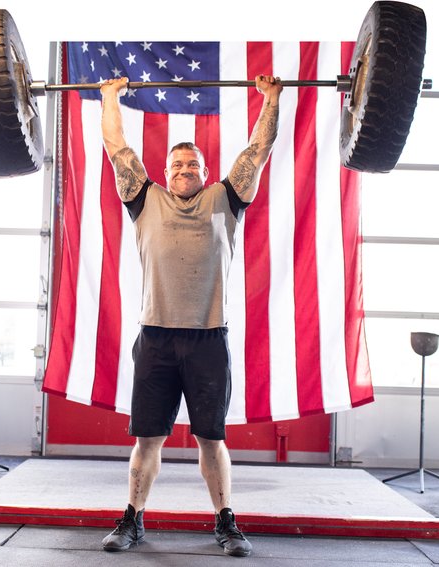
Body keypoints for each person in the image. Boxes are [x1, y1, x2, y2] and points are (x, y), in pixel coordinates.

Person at [98, 74, 283, 557]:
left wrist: (272, 99)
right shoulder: (146, 200)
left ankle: (225, 522)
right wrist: (109, 97)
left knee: (211, 439)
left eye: (192, 164)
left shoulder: (226, 199)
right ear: (166, 169)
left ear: (205, 170)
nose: (184, 169)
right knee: (148, 440)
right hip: (156, 338)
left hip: (207, 339)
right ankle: (132, 518)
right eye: (177, 163)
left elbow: (258, 150)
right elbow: (117, 147)